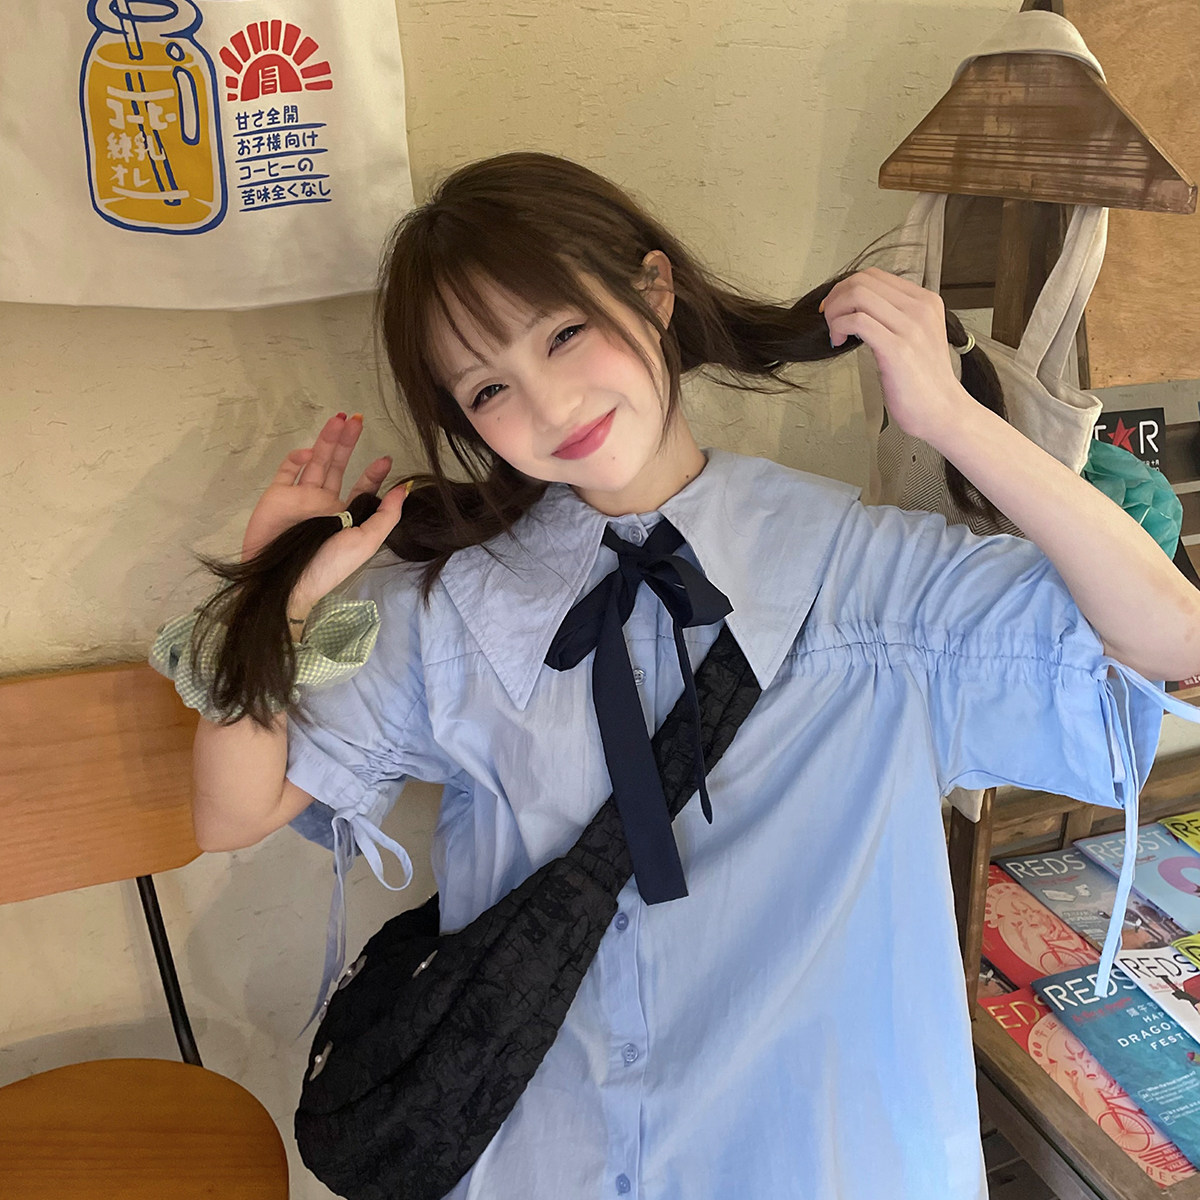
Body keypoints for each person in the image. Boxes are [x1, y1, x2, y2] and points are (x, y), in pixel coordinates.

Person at [154, 151, 1200, 1199]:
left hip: (827, 1158)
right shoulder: (453, 612)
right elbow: (231, 814)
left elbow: (1175, 642)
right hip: (549, 1153)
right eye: (489, 387)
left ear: (653, 290)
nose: (550, 402)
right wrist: (272, 600)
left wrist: (953, 422)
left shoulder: (867, 576)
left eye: (565, 332)